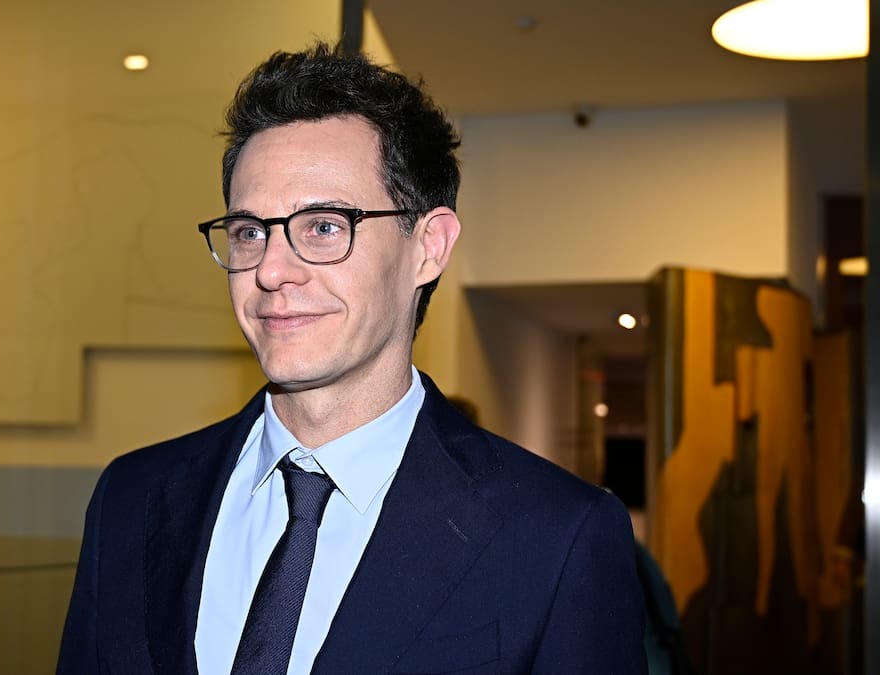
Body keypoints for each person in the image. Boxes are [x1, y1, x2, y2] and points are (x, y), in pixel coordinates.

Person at [56, 42, 645, 674]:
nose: (271, 270)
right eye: (250, 231)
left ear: (429, 246)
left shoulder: (556, 535)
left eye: (323, 226)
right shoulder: (133, 497)